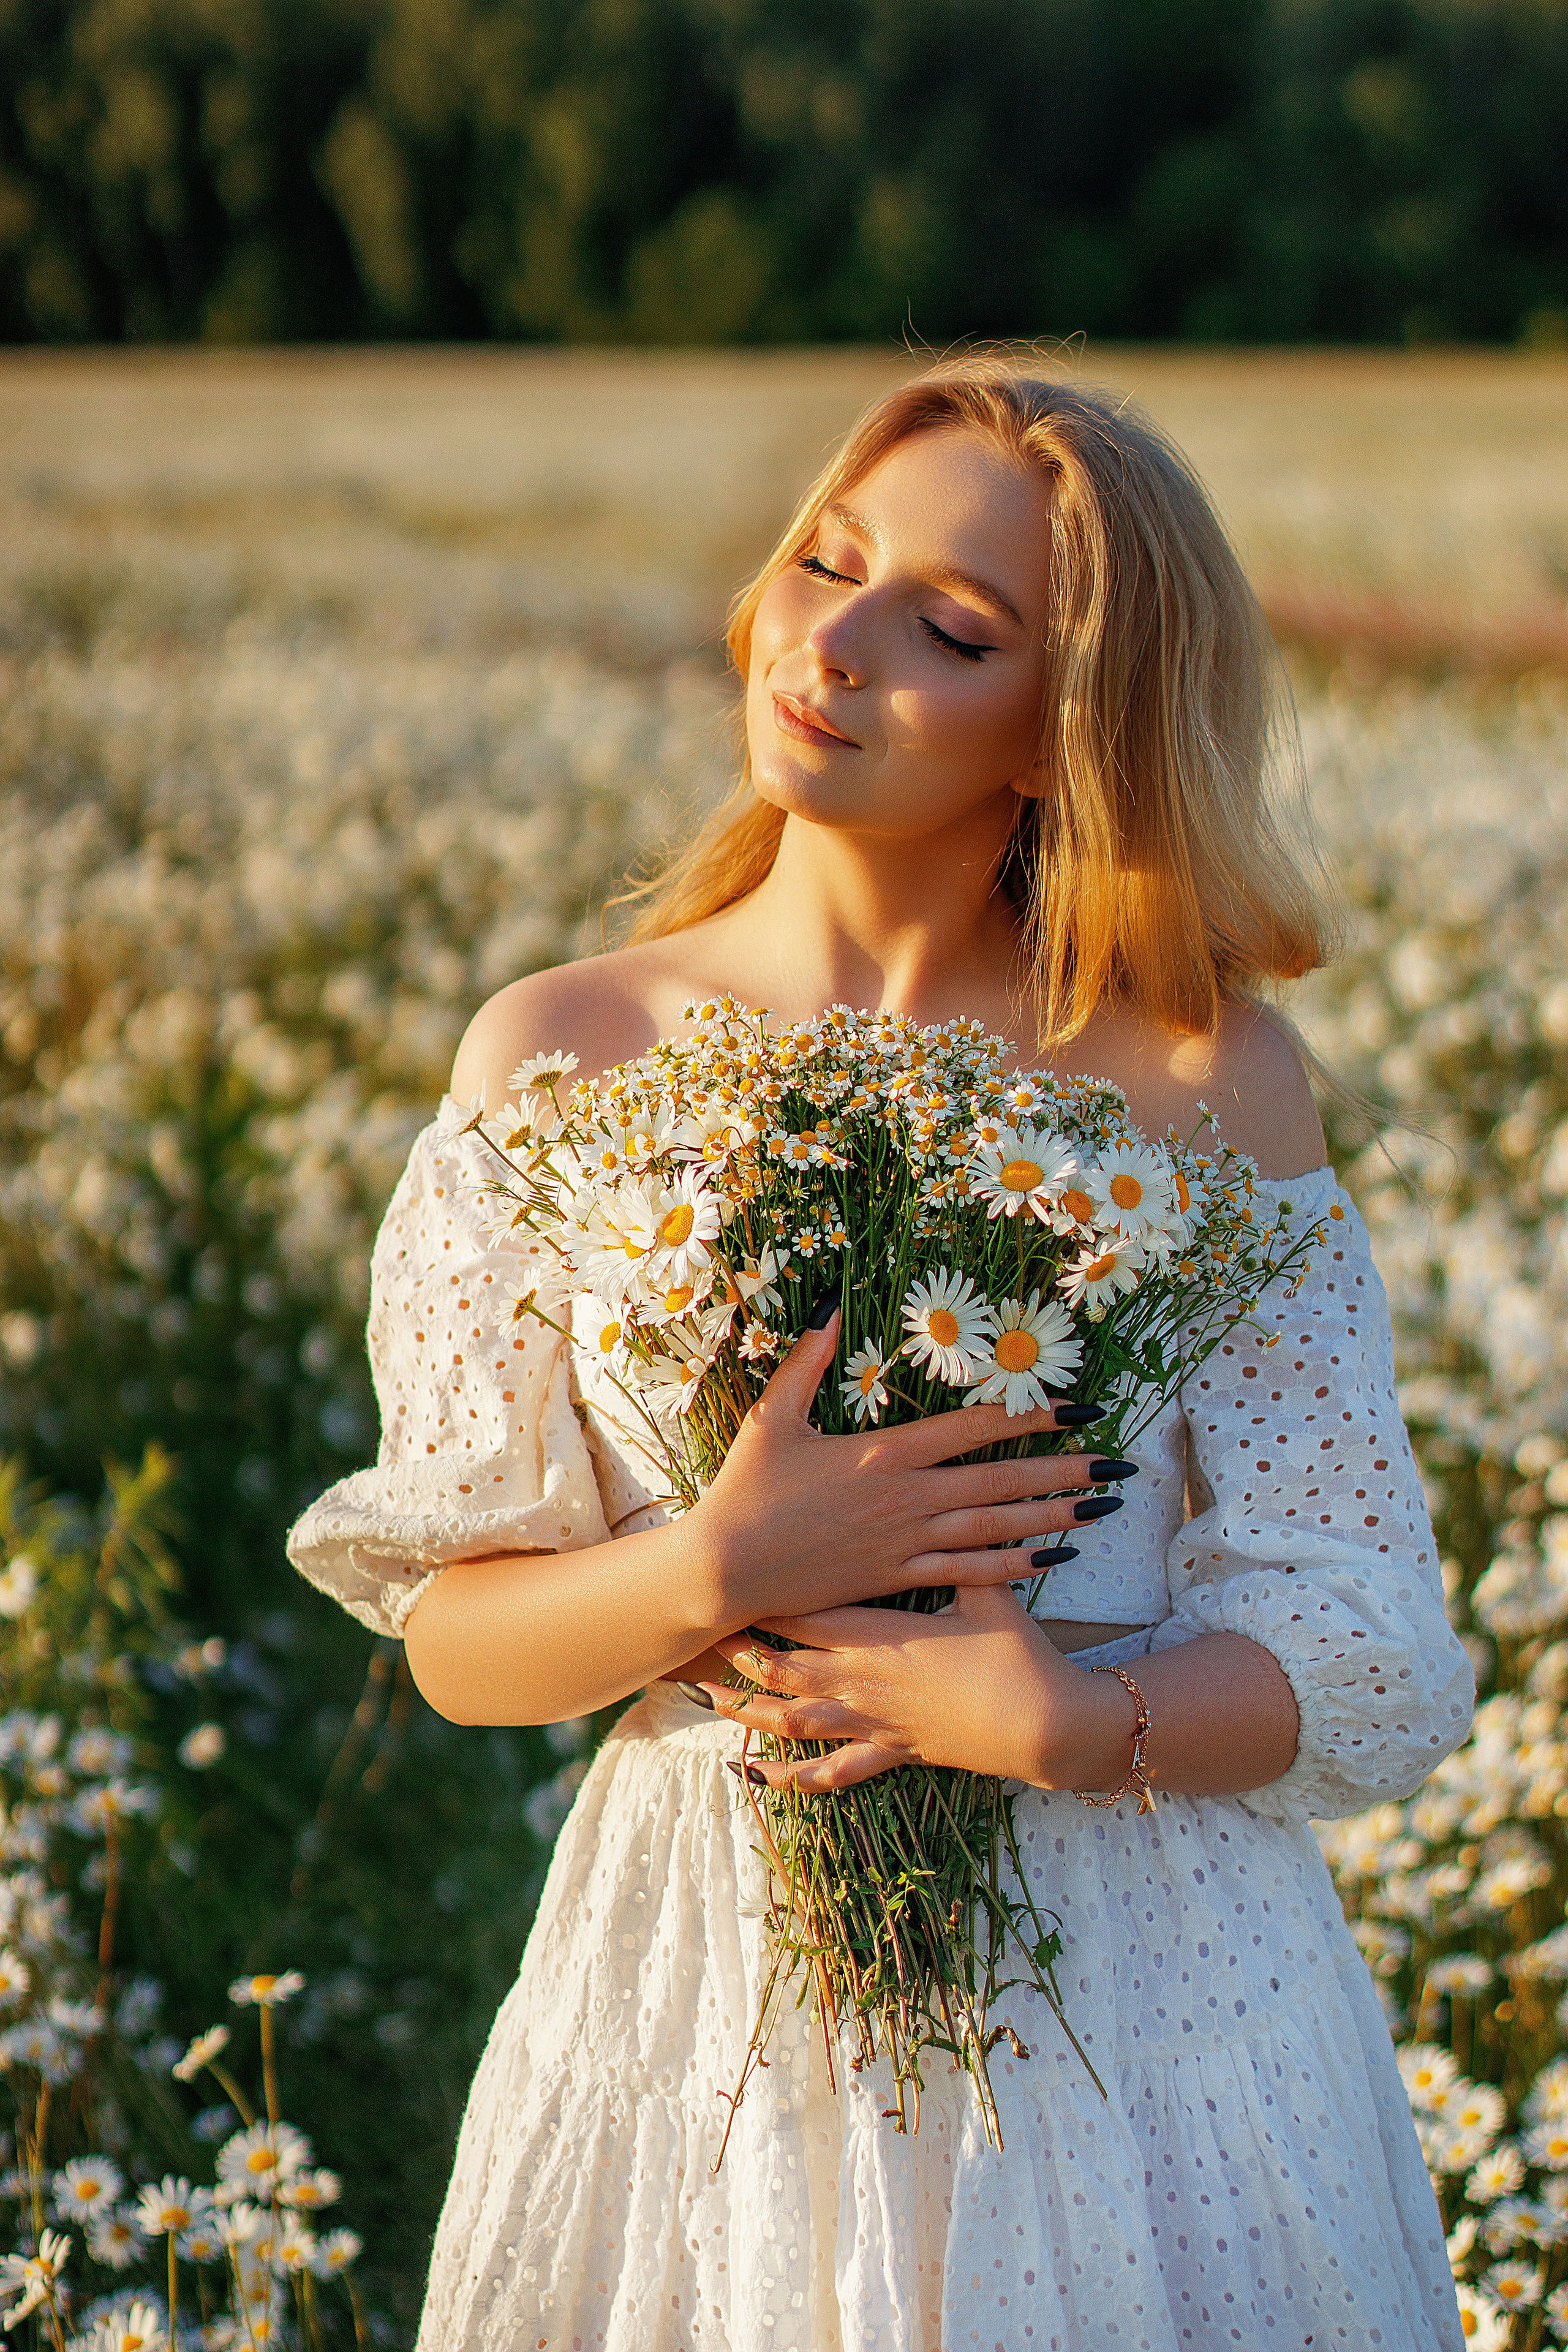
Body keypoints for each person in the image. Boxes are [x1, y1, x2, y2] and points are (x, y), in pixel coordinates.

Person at [287, 356, 1475, 2350]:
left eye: (950, 627)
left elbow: (1369, 1645)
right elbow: (458, 1638)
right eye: (825, 562)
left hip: (1145, 2000)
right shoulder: (560, 1052)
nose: (829, 643)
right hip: (708, 2000)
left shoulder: (1204, 1081)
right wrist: (720, 1567)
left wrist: (1071, 1725)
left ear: (1060, 729)